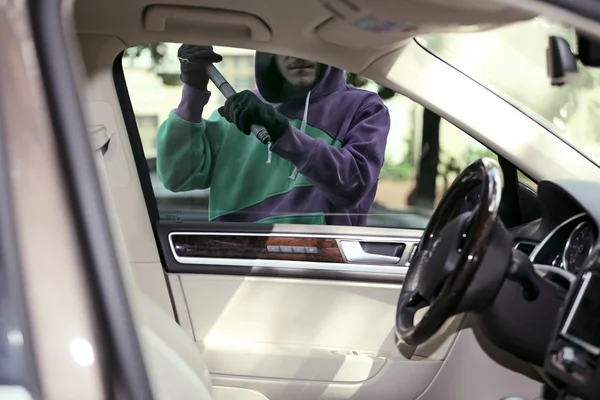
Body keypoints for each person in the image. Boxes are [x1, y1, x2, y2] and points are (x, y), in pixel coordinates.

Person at [156, 44, 391, 225]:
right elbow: (177, 177)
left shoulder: (363, 107)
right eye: (284, 46)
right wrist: (193, 93)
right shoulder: (242, 110)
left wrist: (282, 133)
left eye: (306, 45)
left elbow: (353, 183)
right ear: (269, 54)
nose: (298, 56)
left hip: (320, 271)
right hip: (234, 268)